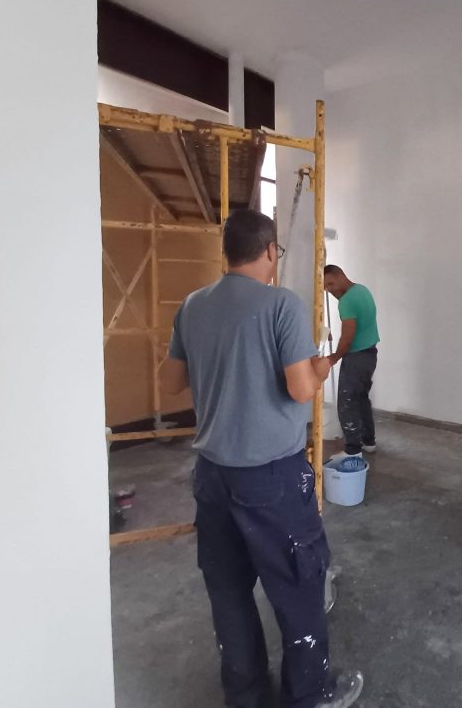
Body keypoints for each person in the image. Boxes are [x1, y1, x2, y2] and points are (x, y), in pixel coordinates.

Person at [160, 210, 363, 708]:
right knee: (298, 587)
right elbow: (299, 389)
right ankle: (308, 694)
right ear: (271, 251)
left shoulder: (192, 305)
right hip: (271, 478)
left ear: (226, 251)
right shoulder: (281, 304)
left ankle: (245, 695)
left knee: (229, 592)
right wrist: (318, 370)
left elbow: (170, 383)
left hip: (212, 476)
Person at [322, 266, 379, 457]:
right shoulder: (362, 290)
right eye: (325, 287)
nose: (329, 290)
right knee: (361, 399)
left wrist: (333, 358)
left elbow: (347, 338)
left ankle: (353, 450)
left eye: (331, 284)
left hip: (356, 358)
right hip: (370, 354)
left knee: (347, 403)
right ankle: (369, 442)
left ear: (341, 276)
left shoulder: (346, 301)